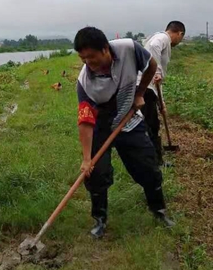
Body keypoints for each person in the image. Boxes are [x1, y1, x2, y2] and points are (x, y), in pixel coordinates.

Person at [74, 26, 174, 238]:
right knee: (96, 173)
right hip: (100, 125)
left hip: (128, 120)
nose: (88, 63)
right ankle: (100, 220)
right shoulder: (85, 83)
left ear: (105, 49)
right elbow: (85, 121)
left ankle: (159, 211)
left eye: (91, 57)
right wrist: (86, 159)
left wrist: (139, 94)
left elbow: (151, 66)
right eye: (83, 59)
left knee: (148, 166)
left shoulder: (129, 49)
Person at [143, 21, 185, 164]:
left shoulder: (156, 38)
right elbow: (154, 49)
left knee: (148, 124)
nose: (179, 42)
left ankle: (151, 158)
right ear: (179, 33)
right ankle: (155, 161)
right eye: (181, 38)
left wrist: (162, 102)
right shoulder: (162, 39)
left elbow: (157, 80)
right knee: (152, 125)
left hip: (147, 87)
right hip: (146, 88)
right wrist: (157, 71)